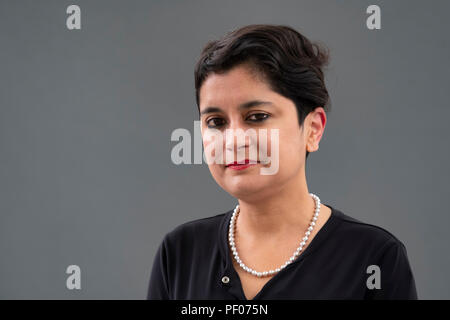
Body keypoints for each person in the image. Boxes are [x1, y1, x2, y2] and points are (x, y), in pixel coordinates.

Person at [147, 24, 418, 300]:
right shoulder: (180, 254)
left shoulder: (374, 259)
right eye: (216, 122)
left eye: (257, 116)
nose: (233, 140)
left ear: (312, 129)